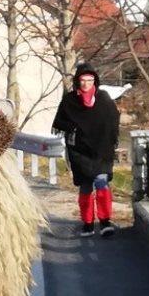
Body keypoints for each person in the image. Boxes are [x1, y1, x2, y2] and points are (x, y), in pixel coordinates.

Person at [52, 62, 122, 237]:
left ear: (95, 81)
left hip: (101, 150)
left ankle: (105, 221)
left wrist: (111, 139)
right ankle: (88, 223)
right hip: (80, 151)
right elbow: (59, 122)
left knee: (101, 183)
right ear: (78, 81)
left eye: (89, 80)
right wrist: (73, 128)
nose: (86, 84)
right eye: (83, 80)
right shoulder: (69, 100)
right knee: (85, 187)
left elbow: (113, 120)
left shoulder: (104, 99)